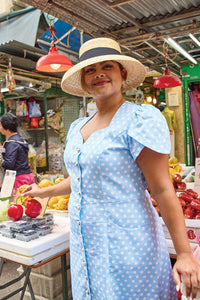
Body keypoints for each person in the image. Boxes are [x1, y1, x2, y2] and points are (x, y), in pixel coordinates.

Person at [22, 37, 200, 300]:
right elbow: (82, 179)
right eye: (90, 70)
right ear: (83, 80)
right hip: (86, 247)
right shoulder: (77, 127)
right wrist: (43, 192)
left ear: (122, 73)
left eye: (107, 66)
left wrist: (184, 253)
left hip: (127, 244)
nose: (99, 74)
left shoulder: (139, 120)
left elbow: (162, 189)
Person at [0, 112, 35, 194]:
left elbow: (9, 164)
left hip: (18, 179)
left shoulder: (12, 143)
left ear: (7, 128)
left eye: (0, 125)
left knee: (18, 203)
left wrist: (1, 160)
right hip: (27, 176)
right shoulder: (19, 139)